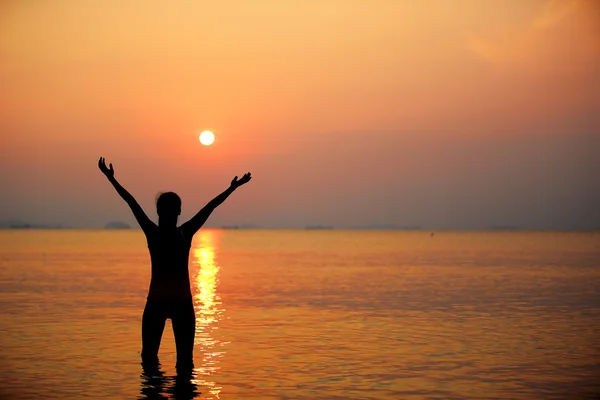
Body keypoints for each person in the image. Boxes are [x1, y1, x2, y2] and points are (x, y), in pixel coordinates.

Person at [98, 157, 251, 369]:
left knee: (153, 362)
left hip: (165, 303)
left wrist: (111, 179)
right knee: (180, 364)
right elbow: (210, 207)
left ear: (160, 212)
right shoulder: (180, 233)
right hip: (174, 304)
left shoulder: (157, 232)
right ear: (177, 212)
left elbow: (131, 202)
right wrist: (232, 188)